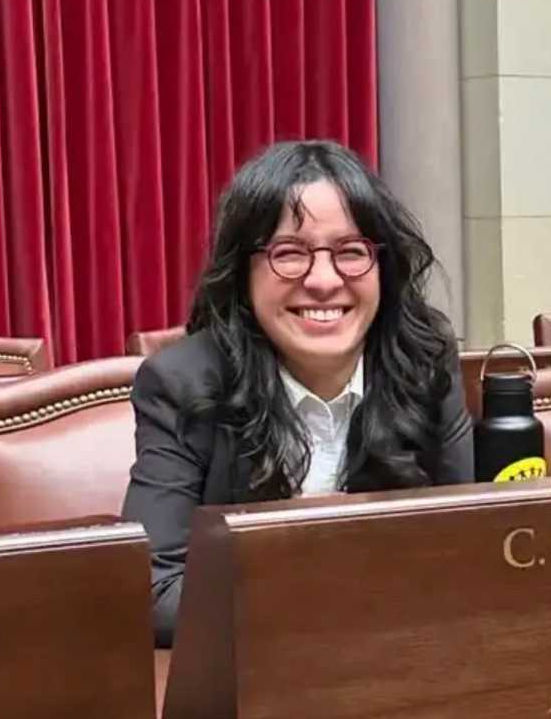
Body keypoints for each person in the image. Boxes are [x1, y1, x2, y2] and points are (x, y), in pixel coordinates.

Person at [122, 140, 473, 646]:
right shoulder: (181, 383)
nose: (324, 280)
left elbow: (466, 551)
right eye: (290, 254)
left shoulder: (421, 361)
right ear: (243, 271)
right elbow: (152, 595)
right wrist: (340, 604)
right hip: (256, 688)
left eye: (351, 252)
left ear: (383, 267)